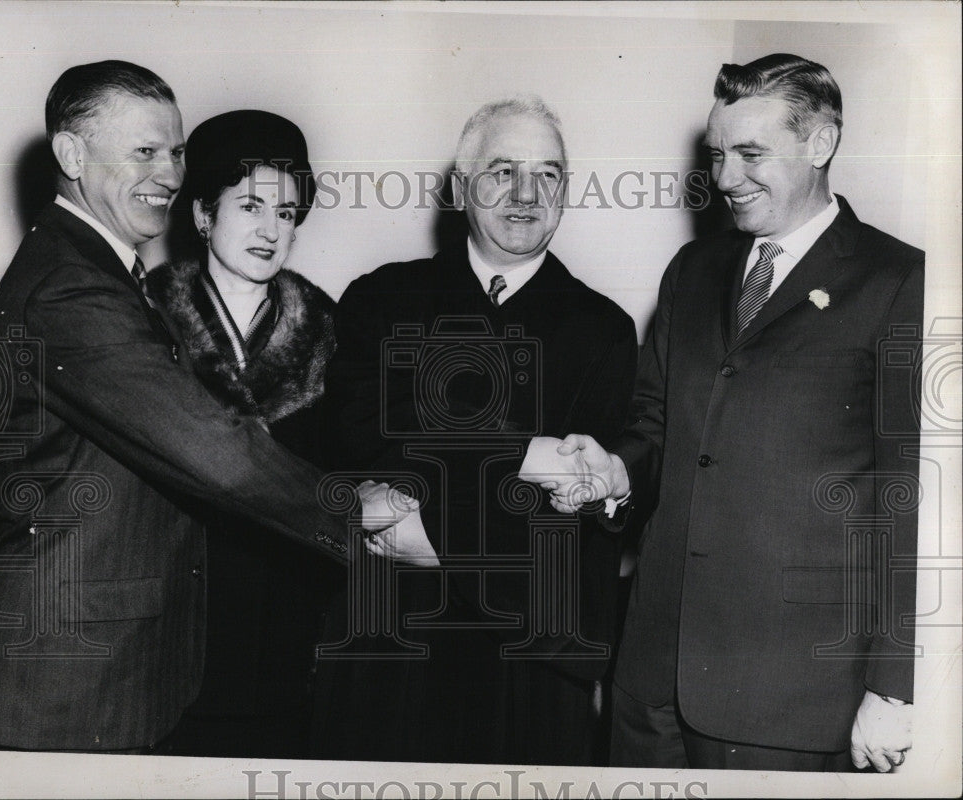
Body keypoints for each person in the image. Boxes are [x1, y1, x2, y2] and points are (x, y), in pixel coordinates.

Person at [0, 60, 433, 754]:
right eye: (144, 151)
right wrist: (353, 504)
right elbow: (214, 450)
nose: (168, 173)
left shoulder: (96, 272)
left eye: (175, 151)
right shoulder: (73, 291)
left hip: (143, 662)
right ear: (70, 155)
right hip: (63, 679)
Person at [528, 54, 922, 772]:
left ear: (821, 144)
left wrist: (893, 689)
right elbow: (656, 429)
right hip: (650, 680)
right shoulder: (692, 271)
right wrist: (613, 473)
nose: (726, 178)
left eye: (750, 153)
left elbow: (913, 499)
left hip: (792, 698)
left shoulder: (903, 282)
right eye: (718, 154)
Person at [316, 97, 637, 765]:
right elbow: (362, 443)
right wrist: (525, 455)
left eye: (548, 175)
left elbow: (584, 515)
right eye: (502, 170)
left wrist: (441, 540)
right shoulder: (383, 298)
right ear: (461, 187)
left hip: (530, 663)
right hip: (390, 644)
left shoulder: (602, 328)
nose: (525, 194)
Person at [142, 110, 340, 758]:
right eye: (249, 204)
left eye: (285, 213)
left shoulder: (331, 336)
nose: (269, 229)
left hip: (284, 652)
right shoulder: (143, 323)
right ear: (202, 214)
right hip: (167, 648)